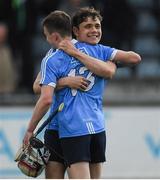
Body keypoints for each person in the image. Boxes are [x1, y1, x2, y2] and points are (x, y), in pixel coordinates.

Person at [23, 8, 141, 179]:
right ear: (75, 31)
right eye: (89, 26)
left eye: (97, 26)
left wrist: (109, 66)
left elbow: (132, 60)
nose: (94, 30)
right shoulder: (57, 53)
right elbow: (37, 86)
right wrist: (64, 82)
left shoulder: (96, 51)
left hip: (75, 126)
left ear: (53, 36)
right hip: (58, 125)